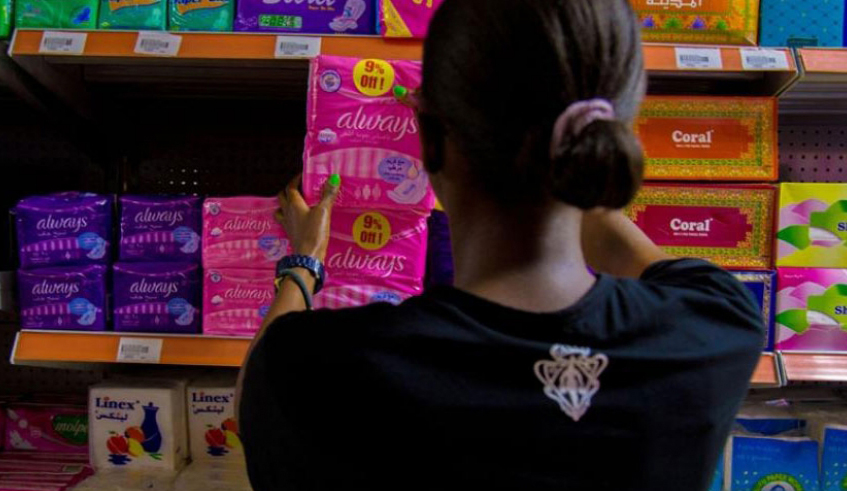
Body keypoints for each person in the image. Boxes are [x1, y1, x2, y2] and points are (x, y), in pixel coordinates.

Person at [237, 0, 765, 489]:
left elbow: (254, 394)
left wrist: (303, 264)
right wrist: (572, 161)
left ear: (429, 140)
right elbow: (653, 264)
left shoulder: (318, 369)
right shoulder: (716, 326)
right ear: (616, 130)